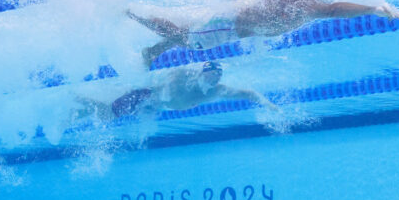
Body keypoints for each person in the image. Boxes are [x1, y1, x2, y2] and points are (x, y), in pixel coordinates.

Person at [127, 0, 399, 65]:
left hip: (229, 20)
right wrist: (371, 8)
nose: (325, 0)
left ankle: (152, 50)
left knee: (187, 32)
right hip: (225, 26)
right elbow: (332, 11)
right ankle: (128, 12)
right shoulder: (304, 2)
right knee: (187, 38)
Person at [75, 61, 275, 123]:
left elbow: (248, 93)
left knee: (106, 115)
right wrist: (166, 91)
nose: (214, 79)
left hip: (153, 107)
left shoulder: (216, 91)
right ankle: (78, 99)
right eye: (211, 75)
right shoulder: (186, 76)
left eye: (217, 76)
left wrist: (265, 102)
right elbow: (171, 76)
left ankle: (77, 109)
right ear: (202, 73)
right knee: (109, 114)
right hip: (146, 97)